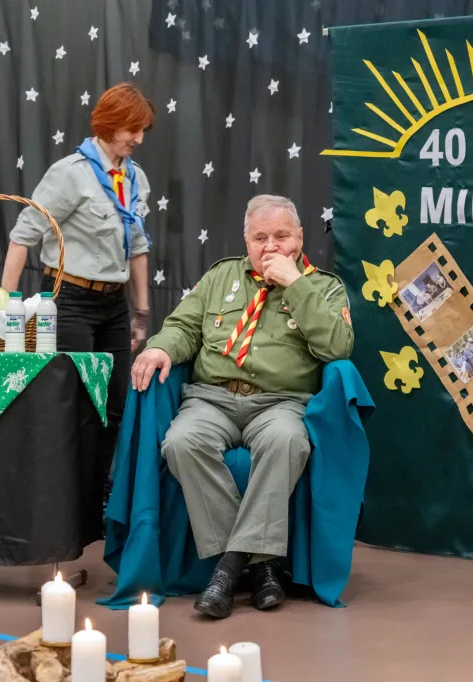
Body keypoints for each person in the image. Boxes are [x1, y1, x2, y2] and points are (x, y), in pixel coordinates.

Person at [130, 194, 354, 618]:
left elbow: (338, 347)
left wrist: (296, 285)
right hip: (212, 398)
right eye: (260, 238)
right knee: (181, 442)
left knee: (288, 442)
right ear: (246, 241)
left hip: (279, 402)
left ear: (300, 237)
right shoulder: (221, 276)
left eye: (281, 236)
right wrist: (160, 348)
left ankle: (228, 569)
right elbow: (183, 326)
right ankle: (261, 564)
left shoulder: (323, 286)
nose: (271, 247)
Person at [1, 82, 154, 481]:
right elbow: (23, 236)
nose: (139, 138)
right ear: (109, 124)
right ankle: (65, 497)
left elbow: (138, 245)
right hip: (68, 301)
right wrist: (5, 304)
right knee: (75, 405)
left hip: (113, 304)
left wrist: (141, 311)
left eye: (142, 130)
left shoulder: (135, 178)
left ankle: (100, 495)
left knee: (116, 406)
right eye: (132, 129)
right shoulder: (70, 175)